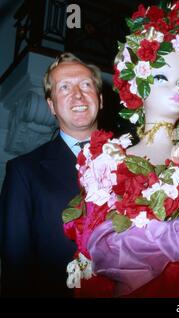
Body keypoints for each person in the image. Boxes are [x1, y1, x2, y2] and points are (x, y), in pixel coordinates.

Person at [62, 1, 179, 297]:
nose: (177, 91)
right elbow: (90, 251)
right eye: (161, 78)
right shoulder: (108, 162)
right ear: (135, 85)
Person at [0, 52, 103, 297]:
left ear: (100, 99)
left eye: (86, 85)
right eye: (64, 87)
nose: (77, 94)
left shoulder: (133, 164)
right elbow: (16, 267)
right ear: (51, 106)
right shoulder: (24, 171)